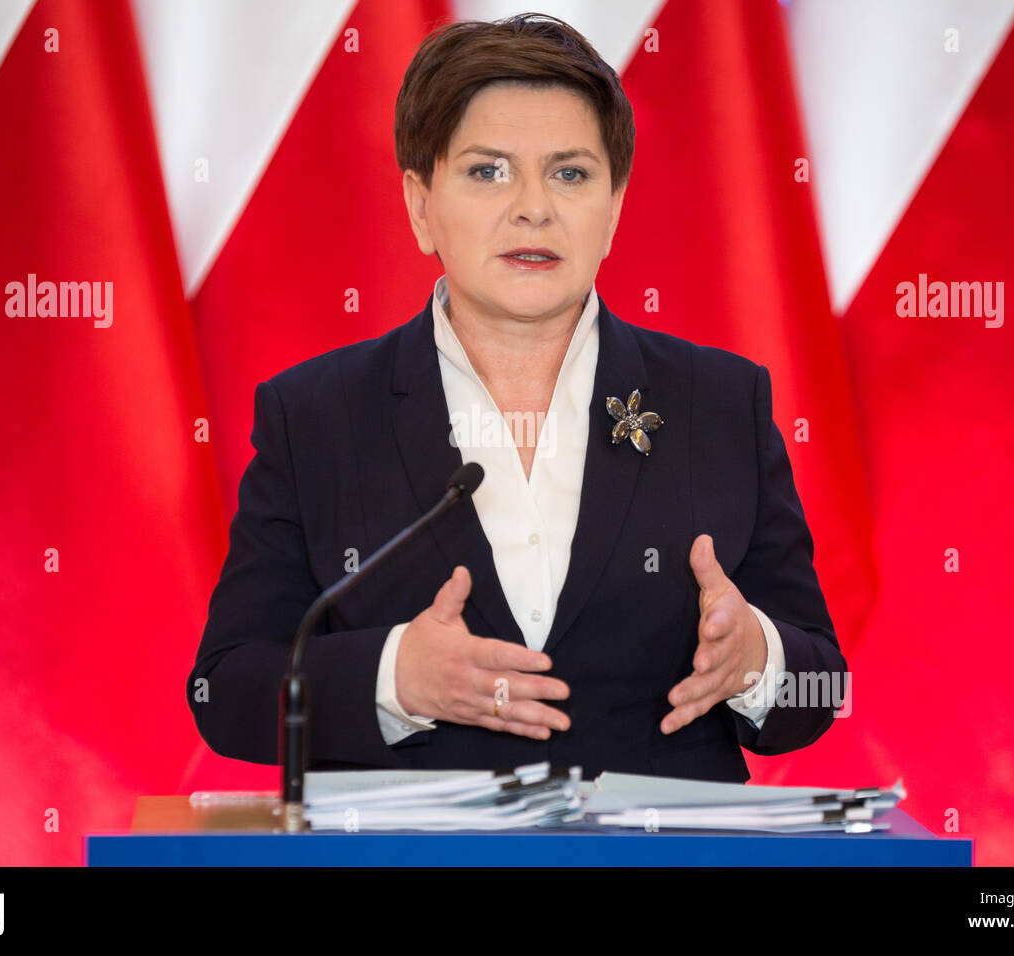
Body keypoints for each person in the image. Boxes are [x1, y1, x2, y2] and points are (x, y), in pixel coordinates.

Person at [187, 13, 846, 782]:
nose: (534, 206)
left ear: (614, 209)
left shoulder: (721, 403)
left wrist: (756, 659)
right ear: (420, 205)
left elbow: (824, 689)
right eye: (488, 171)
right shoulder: (316, 417)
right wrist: (395, 678)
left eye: (570, 174)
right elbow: (223, 692)